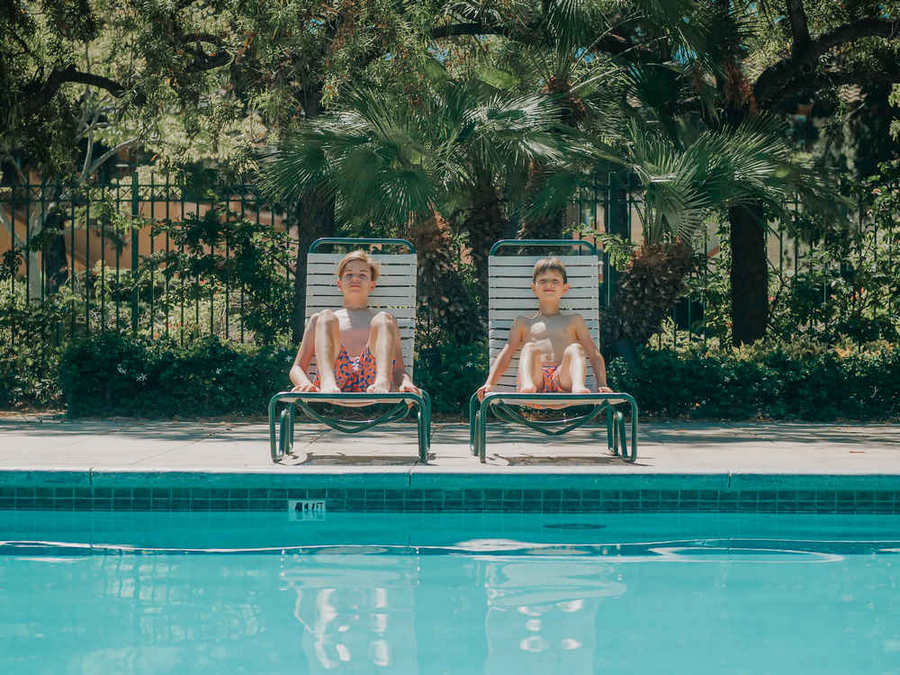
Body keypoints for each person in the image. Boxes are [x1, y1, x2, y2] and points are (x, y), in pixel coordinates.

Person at [477, 256, 613, 400]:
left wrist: (602, 384)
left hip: (564, 382)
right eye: (543, 281)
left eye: (555, 281)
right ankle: (527, 387)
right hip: (535, 382)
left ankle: (578, 387)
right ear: (533, 288)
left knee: (575, 348)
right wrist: (489, 384)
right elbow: (506, 353)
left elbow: (593, 353)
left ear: (565, 288)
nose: (549, 284)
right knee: (529, 347)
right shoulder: (523, 323)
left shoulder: (574, 321)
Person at [289, 250, 419, 396]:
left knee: (384, 318)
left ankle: (382, 381)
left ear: (372, 285)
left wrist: (406, 382)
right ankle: (327, 381)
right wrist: (305, 383)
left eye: (362, 275)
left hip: (373, 382)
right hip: (333, 381)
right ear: (339, 284)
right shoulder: (321, 321)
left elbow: (398, 369)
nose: (355, 279)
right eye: (349, 274)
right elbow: (297, 368)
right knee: (325, 316)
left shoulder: (384, 324)